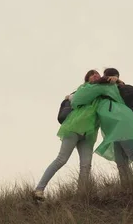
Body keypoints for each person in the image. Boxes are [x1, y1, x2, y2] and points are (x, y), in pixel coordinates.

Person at [71, 68, 133, 189]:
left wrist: (73, 95)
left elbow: (77, 100)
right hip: (117, 125)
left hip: (120, 122)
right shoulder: (114, 87)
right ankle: (129, 189)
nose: (97, 77)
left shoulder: (103, 87)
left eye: (99, 75)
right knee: (121, 161)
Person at [33, 69, 102, 201]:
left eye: (98, 74)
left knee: (86, 165)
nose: (96, 76)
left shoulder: (102, 92)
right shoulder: (84, 89)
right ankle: (39, 189)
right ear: (87, 79)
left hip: (89, 133)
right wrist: (70, 96)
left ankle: (81, 195)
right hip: (74, 127)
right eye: (92, 74)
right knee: (61, 159)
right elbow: (76, 99)